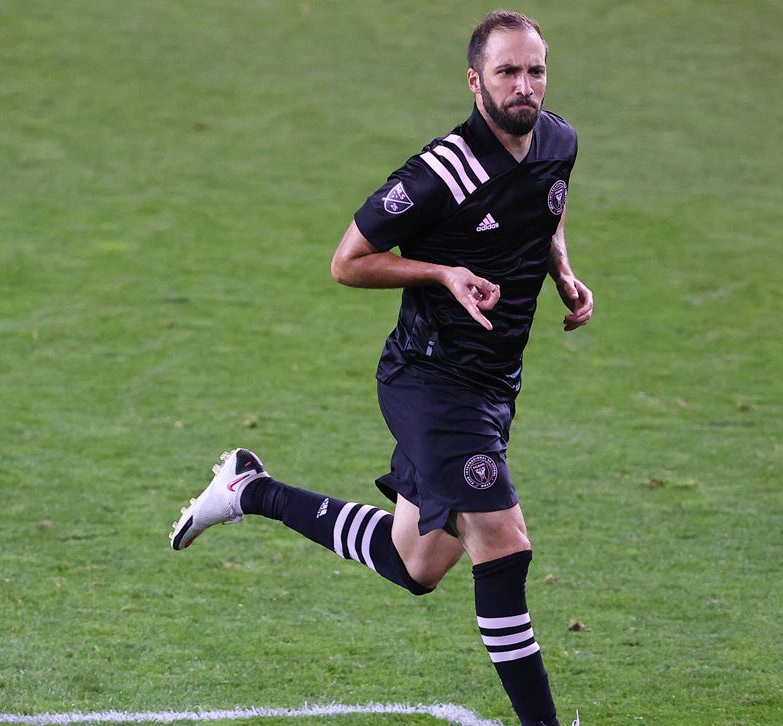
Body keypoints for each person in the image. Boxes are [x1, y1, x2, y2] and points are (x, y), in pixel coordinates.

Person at [169, 10, 591, 726]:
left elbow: (547, 209)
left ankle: (251, 489)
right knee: (503, 539)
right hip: (430, 380)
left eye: (535, 70)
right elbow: (348, 262)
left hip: (493, 385)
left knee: (418, 564)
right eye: (507, 72)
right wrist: (442, 273)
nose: (525, 86)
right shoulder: (440, 173)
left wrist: (563, 271)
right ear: (474, 81)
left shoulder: (558, 142)